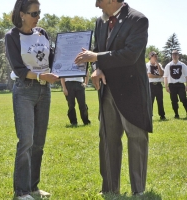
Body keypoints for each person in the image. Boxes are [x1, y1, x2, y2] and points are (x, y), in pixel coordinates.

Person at [75, 0, 152, 196]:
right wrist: (96, 69)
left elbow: (130, 55)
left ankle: (139, 191)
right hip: (107, 89)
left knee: (136, 138)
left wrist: (96, 58)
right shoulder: (100, 22)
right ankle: (110, 189)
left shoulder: (138, 20)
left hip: (132, 91)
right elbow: (95, 52)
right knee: (108, 139)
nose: (96, 4)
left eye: (99, 1)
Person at [5, 0, 58, 199]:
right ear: (22, 14)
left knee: (39, 143)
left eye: (39, 12)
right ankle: (21, 191)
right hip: (24, 91)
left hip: (45, 92)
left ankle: (33, 187)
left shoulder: (42, 33)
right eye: (34, 13)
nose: (38, 17)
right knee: (26, 141)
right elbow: (18, 69)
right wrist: (40, 76)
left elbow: (52, 59)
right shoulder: (12, 36)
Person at [164, 50, 187, 118]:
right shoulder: (168, 65)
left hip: (180, 85)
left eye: (176, 54)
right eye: (173, 54)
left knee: (183, 99)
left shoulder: (183, 65)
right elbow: (165, 77)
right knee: (174, 100)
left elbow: (186, 76)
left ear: (178, 56)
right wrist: (166, 86)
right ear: (171, 56)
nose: (174, 56)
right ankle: (176, 114)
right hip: (172, 85)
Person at [146, 51, 166, 120]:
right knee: (151, 101)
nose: (156, 57)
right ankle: (149, 116)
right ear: (150, 57)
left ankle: (162, 115)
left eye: (156, 56)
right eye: (154, 56)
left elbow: (162, 73)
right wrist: (158, 76)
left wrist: (158, 65)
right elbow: (149, 75)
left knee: (160, 100)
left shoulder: (159, 65)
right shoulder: (147, 65)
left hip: (158, 85)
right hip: (151, 85)